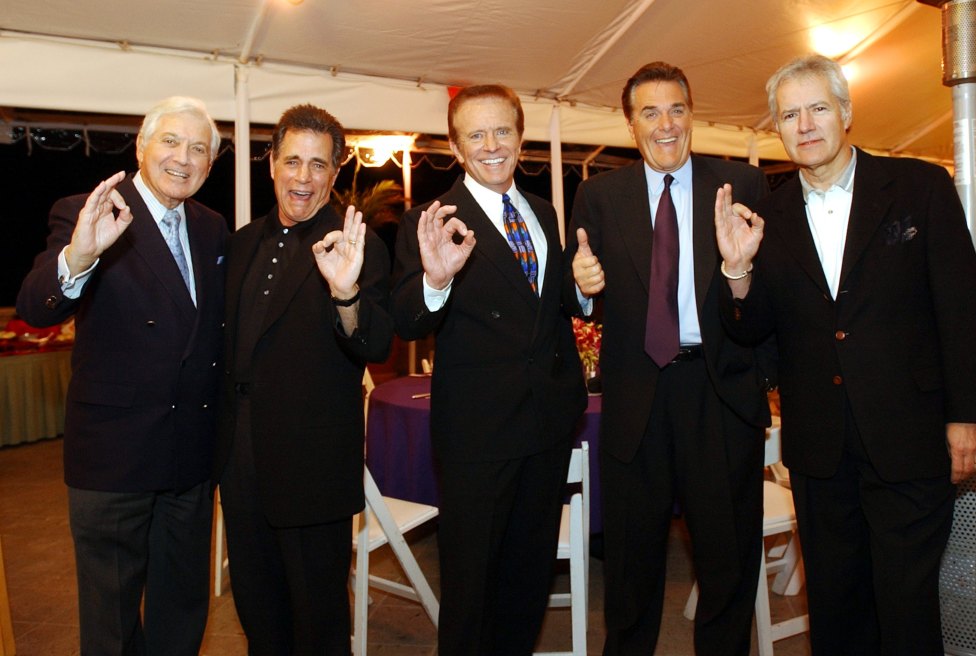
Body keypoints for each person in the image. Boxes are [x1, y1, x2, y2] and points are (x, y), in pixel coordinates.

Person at [714, 54, 976, 654]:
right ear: (778, 127)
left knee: (906, 608)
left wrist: (968, 415)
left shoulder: (918, 187)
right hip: (822, 449)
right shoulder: (767, 216)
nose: (805, 124)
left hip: (912, 437)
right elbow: (753, 330)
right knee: (838, 611)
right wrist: (737, 271)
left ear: (845, 112)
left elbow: (960, 307)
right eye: (789, 114)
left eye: (818, 107)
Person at [563, 61, 773, 655]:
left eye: (676, 109)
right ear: (631, 124)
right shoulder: (599, 196)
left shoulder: (740, 186)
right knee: (629, 566)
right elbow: (574, 293)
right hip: (637, 398)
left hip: (719, 392)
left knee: (727, 562)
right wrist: (580, 284)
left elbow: (771, 293)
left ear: (692, 114)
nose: (665, 124)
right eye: (649, 112)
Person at [16, 96, 226, 655]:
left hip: (190, 459)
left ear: (210, 165)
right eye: (172, 142)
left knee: (181, 607)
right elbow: (37, 306)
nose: (184, 158)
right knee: (110, 621)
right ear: (141, 146)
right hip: (113, 459)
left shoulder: (212, 226)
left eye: (199, 149)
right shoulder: (90, 209)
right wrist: (78, 258)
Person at [391, 84, 587, 655]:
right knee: (471, 586)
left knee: (528, 578)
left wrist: (584, 290)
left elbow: (549, 307)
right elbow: (405, 317)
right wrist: (436, 280)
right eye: (476, 134)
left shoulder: (544, 211)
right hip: (478, 431)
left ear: (521, 136)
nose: (492, 145)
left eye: (503, 130)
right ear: (454, 146)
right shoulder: (432, 220)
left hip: (548, 421)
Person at [212, 104, 393, 654]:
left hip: (313, 469)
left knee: (318, 623)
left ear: (335, 173)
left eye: (319, 165)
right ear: (271, 163)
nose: (304, 178)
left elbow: (376, 343)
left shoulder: (356, 245)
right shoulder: (240, 242)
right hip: (239, 461)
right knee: (258, 612)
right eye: (293, 161)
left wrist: (346, 293)